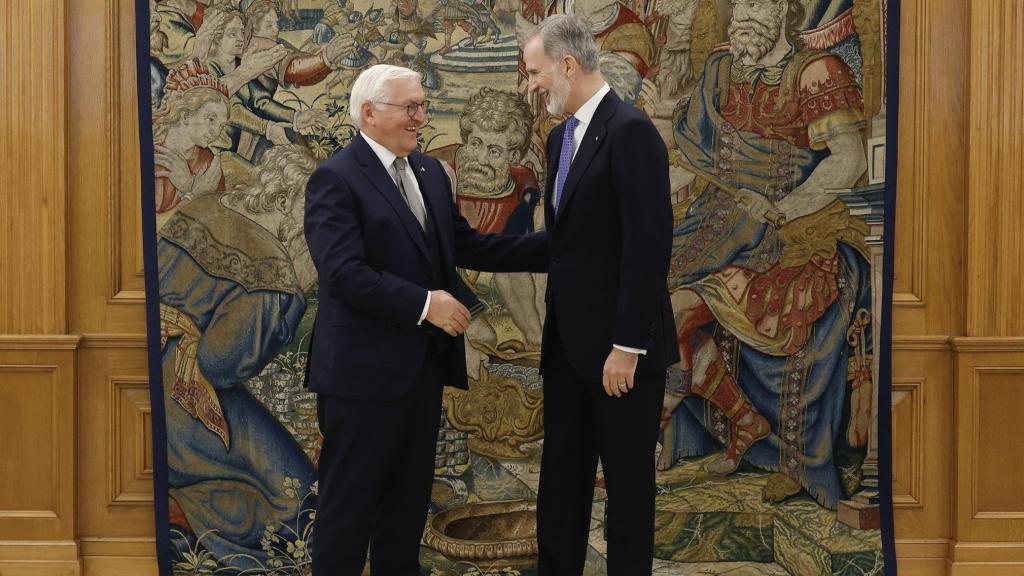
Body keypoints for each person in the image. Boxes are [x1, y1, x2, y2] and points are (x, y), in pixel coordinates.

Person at [303, 64, 548, 576]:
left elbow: (464, 245)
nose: (421, 116)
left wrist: (559, 248)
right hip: (361, 380)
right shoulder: (336, 178)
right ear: (369, 113)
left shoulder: (430, 173)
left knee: (405, 516)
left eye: (422, 105)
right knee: (347, 517)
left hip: (420, 375)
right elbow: (343, 273)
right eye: (409, 107)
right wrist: (426, 304)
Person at [663, 0, 873, 508]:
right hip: (717, 221)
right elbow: (690, 153)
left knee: (671, 310)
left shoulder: (816, 72)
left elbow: (848, 161)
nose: (741, 15)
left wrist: (782, 207)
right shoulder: (720, 68)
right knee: (647, 295)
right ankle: (741, 423)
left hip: (789, 228)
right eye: (738, 5)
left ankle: (667, 431)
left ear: (785, 9)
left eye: (756, 3)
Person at [522, 14, 677, 576]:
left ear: (567, 65)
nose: (531, 85)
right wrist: (461, 249)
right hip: (567, 349)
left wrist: (628, 345)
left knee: (629, 495)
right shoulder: (561, 137)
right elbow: (564, 245)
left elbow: (647, 244)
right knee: (560, 486)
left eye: (535, 72)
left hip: (621, 355)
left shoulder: (631, 131)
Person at [157, 133, 320, 568]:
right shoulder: (272, 269)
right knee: (298, 496)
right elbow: (219, 364)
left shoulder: (202, 207)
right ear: (287, 199)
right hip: (187, 397)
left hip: (145, 376)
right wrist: (297, 291)